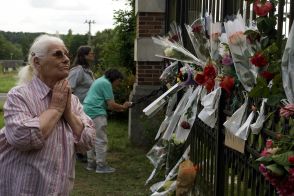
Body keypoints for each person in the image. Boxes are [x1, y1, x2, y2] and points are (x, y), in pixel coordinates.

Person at [0, 34, 96, 196]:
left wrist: (68, 114)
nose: (66, 59)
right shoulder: (19, 96)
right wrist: (55, 109)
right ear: (37, 62)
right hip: (23, 190)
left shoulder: (72, 101)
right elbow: (23, 137)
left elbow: (88, 141)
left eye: (66, 54)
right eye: (58, 54)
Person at [83, 68, 132, 173]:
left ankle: (91, 164)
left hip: (87, 110)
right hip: (96, 112)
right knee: (101, 139)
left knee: (90, 138)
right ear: (114, 78)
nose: (118, 84)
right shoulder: (106, 83)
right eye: (119, 81)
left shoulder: (100, 80)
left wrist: (119, 108)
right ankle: (101, 166)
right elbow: (111, 104)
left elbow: (109, 106)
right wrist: (123, 106)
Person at [68, 45, 95, 162]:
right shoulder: (77, 70)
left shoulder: (87, 71)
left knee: (85, 129)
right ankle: (78, 152)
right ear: (84, 56)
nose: (93, 55)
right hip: (78, 106)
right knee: (77, 129)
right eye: (91, 53)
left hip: (87, 106)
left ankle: (82, 151)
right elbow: (69, 89)